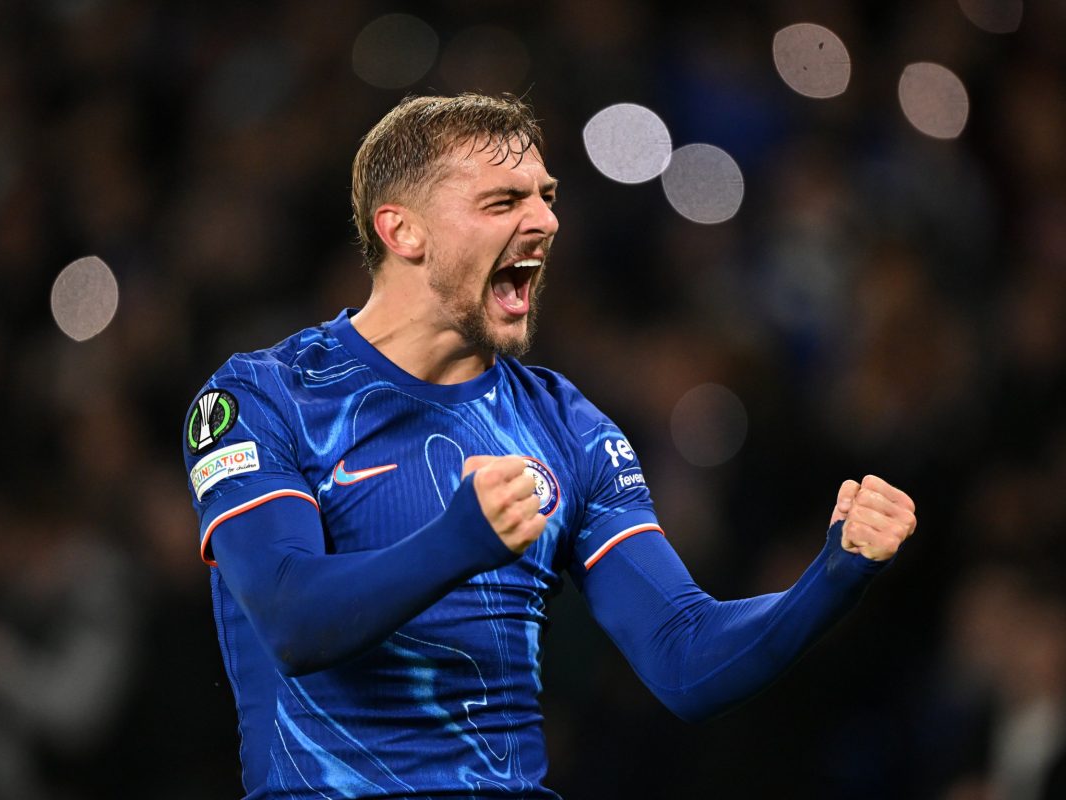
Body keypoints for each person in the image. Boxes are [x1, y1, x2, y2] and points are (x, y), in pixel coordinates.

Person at [181, 93, 917, 799]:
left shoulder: (566, 426)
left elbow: (685, 656)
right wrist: (460, 540)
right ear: (402, 231)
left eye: (546, 195)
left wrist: (832, 575)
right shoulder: (261, 398)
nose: (546, 222)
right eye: (504, 202)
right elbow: (291, 617)